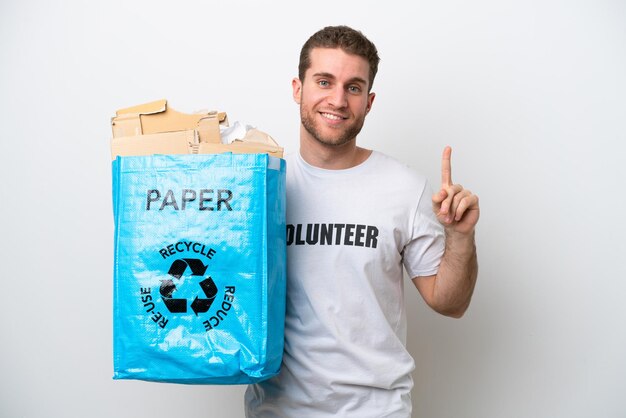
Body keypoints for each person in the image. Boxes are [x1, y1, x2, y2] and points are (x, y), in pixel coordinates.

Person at [245, 25, 479, 418]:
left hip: (376, 410)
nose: (338, 100)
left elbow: (450, 303)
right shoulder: (258, 186)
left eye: (353, 87)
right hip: (276, 411)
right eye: (324, 81)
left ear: (368, 102)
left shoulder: (405, 188)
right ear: (297, 88)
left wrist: (460, 237)